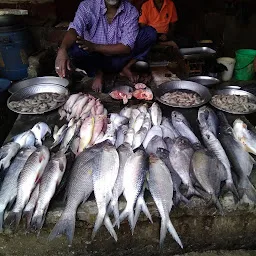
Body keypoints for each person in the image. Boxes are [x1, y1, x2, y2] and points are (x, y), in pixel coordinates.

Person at [55, 0, 157, 92]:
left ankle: (126, 68)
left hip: (119, 60)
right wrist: (62, 49)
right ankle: (97, 73)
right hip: (94, 60)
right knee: (75, 48)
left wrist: (95, 46)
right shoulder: (87, 6)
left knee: (150, 33)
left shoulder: (131, 11)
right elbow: (75, 29)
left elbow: (126, 47)